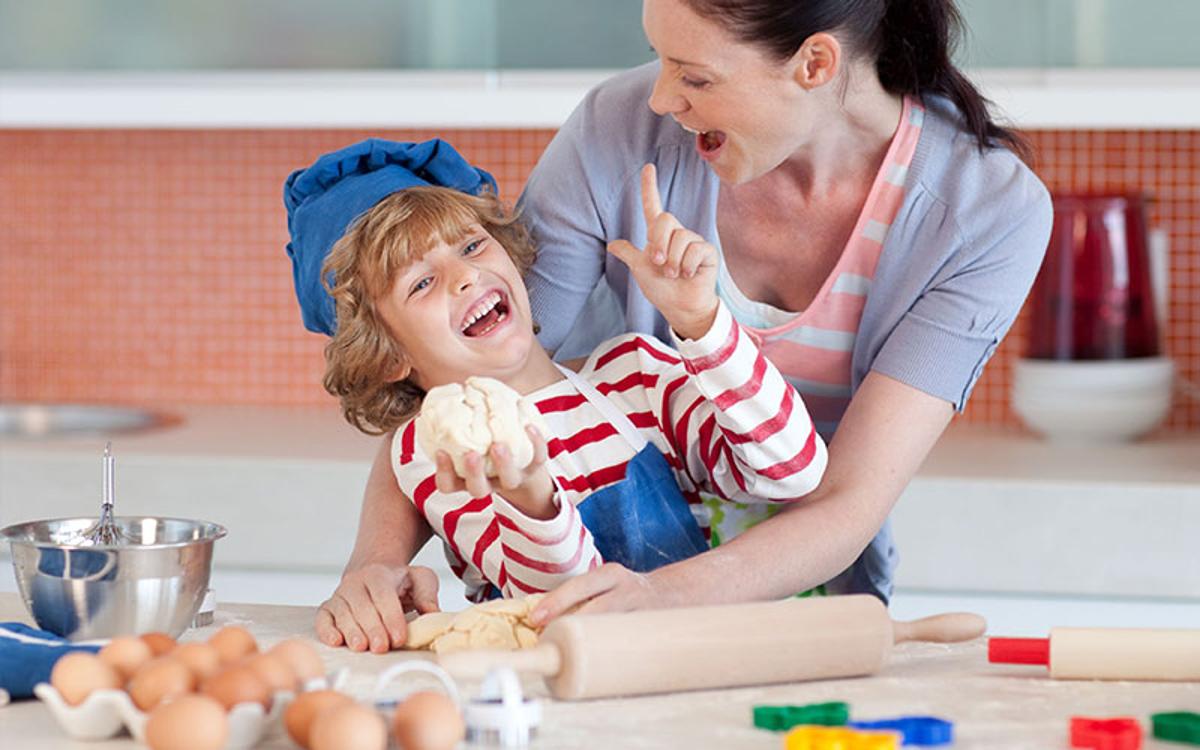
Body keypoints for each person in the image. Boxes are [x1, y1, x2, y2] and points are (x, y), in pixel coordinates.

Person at [316, 0, 1053, 649]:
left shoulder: (986, 213)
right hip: (589, 626)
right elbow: (467, 379)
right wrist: (375, 564)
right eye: (658, 60)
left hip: (801, 609)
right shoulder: (618, 131)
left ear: (814, 63)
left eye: (694, 76)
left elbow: (843, 497)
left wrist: (661, 598)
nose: (662, 99)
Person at [284, 138, 827, 650]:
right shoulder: (434, 450)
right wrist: (528, 493)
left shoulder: (635, 376)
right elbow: (558, 615)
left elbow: (792, 471)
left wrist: (703, 323)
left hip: (691, 665)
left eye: (472, 245)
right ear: (387, 354)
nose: (465, 277)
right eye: (421, 282)